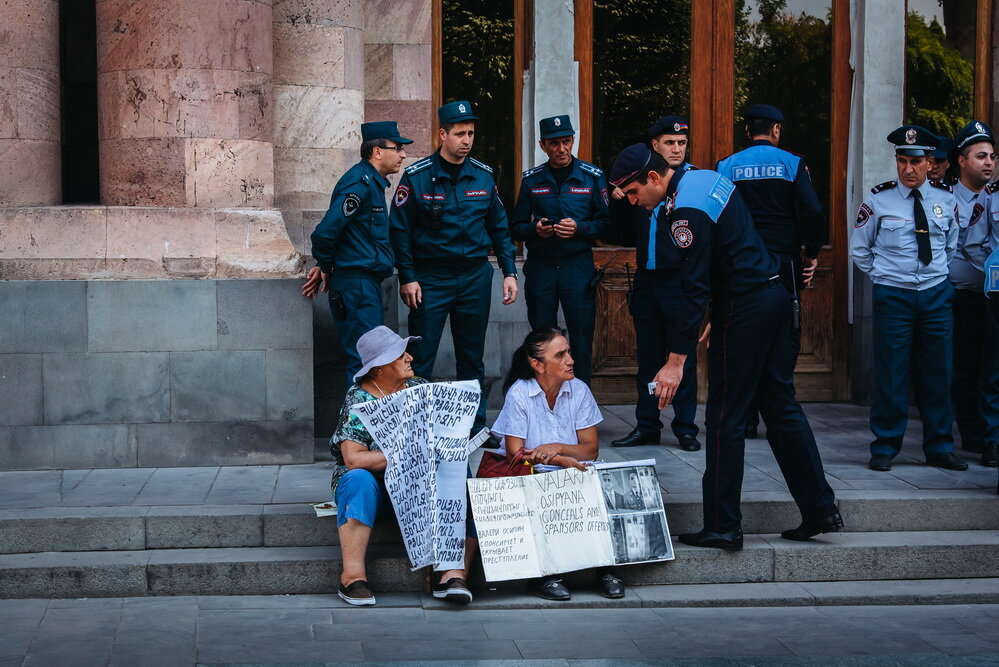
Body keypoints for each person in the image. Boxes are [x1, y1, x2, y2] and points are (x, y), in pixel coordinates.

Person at [611, 143, 841, 550]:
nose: (634, 202)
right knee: (780, 407)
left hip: (747, 307)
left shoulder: (685, 210)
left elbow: (693, 285)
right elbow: (734, 243)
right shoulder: (703, 178)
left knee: (723, 418)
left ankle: (722, 524)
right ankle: (821, 508)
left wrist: (675, 361)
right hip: (768, 295)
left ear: (652, 178)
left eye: (632, 193)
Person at [390, 101, 519, 436]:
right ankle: (415, 430)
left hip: (475, 276)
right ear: (443, 134)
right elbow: (400, 232)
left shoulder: (483, 175)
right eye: (460, 133)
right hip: (430, 278)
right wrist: (408, 277)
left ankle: (473, 428)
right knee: (421, 356)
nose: (466, 140)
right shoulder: (417, 178)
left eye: (471, 133)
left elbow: (500, 228)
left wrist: (509, 271)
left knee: (472, 357)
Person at [329, 325, 477, 606]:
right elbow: (353, 459)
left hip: (420, 488)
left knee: (459, 469)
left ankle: (452, 572)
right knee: (357, 478)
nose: (409, 357)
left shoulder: (419, 388)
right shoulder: (359, 398)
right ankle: (352, 577)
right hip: (379, 489)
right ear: (378, 369)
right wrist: (408, 454)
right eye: (399, 355)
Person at [849, 125, 967, 472]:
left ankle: (940, 447)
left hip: (935, 296)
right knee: (891, 374)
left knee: (938, 373)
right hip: (894, 297)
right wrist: (885, 278)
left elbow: (950, 245)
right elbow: (860, 250)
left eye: (915, 162)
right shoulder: (877, 200)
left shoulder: (947, 200)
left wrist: (935, 278)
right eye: (902, 161)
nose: (908, 169)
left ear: (930, 163)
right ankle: (885, 446)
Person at [489, 327, 626, 600]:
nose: (570, 360)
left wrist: (559, 449)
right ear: (538, 364)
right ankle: (547, 577)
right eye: (560, 355)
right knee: (549, 492)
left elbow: (591, 449)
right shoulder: (520, 393)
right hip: (531, 473)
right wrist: (559, 459)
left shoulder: (579, 390)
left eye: (569, 353)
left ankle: (606, 569)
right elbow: (514, 453)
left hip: (571, 468)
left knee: (597, 486)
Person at [715, 105, 825, 439]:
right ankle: (776, 410)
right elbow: (813, 210)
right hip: (783, 266)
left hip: (740, 265)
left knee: (742, 338)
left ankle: (745, 417)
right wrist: (812, 253)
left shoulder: (726, 165)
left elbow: (716, 212)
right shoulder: (792, 162)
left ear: (748, 131)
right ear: (776, 130)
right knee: (782, 337)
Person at [608, 115, 702, 453]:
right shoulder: (641, 182)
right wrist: (618, 199)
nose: (677, 149)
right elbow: (616, 234)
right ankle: (647, 425)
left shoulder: (690, 182)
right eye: (670, 143)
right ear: (655, 146)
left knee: (682, 358)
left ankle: (686, 427)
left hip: (679, 282)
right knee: (648, 359)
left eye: (681, 143)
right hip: (647, 281)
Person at [303, 121, 412, 385]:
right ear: (377, 152)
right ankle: (355, 425)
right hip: (356, 285)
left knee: (369, 361)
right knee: (365, 362)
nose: (403, 154)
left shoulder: (372, 183)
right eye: (397, 148)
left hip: (363, 283)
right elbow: (325, 232)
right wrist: (327, 266)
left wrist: (327, 264)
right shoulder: (360, 184)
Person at [510, 115, 610, 384]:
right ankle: (543, 400)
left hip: (577, 267)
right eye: (555, 143)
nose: (562, 149)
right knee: (542, 339)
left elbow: (607, 224)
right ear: (543, 145)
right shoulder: (532, 180)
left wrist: (580, 228)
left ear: (573, 141)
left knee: (580, 336)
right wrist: (535, 230)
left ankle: (580, 404)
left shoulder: (592, 177)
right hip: (542, 266)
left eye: (566, 142)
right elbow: (516, 226)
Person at [950, 121, 999, 468]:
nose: (989, 163)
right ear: (962, 160)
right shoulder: (943, 195)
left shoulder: (991, 196)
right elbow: (975, 245)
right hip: (965, 295)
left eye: (993, 156)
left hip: (986, 295)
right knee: (969, 368)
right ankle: (976, 434)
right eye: (981, 156)